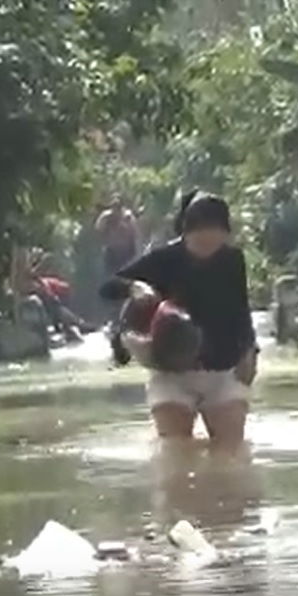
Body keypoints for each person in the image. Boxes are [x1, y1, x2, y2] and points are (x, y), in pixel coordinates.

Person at [99, 190, 258, 448]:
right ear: (186, 233)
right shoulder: (165, 259)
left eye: (213, 241)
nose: (206, 249)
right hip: (171, 371)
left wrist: (250, 350)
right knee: (176, 454)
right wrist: (134, 288)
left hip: (222, 369)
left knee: (231, 452)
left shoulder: (232, 260)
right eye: (200, 241)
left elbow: (241, 309)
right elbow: (107, 287)